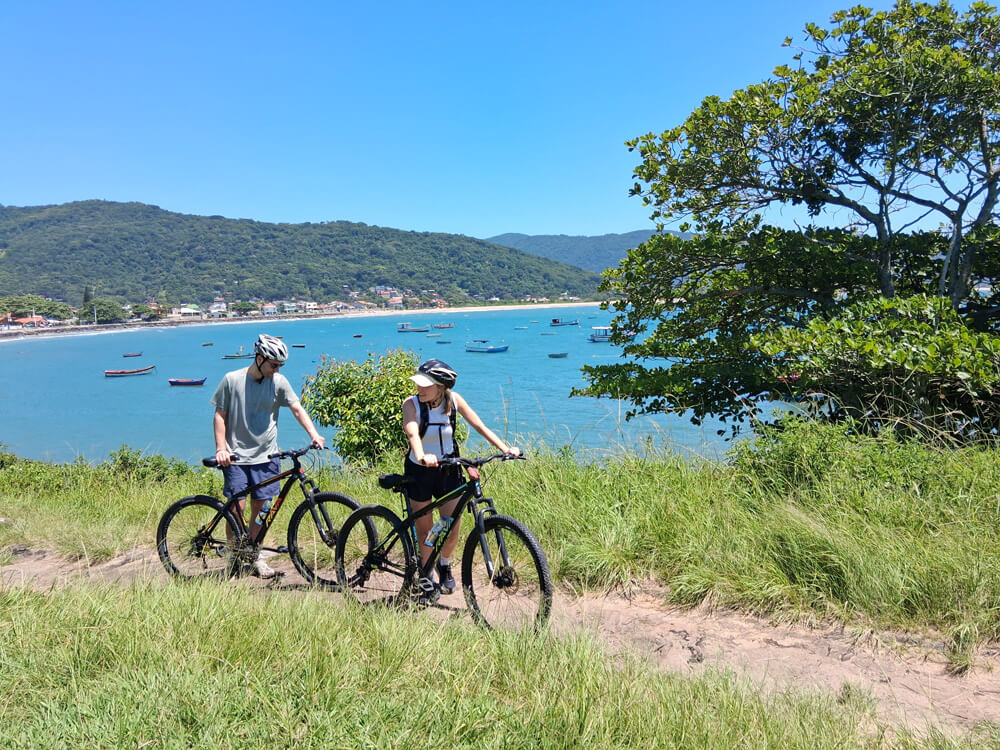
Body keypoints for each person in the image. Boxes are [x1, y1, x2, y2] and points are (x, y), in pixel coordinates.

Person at [402, 358, 520, 602]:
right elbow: (412, 432)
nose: (419, 388)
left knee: (451, 525)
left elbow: (479, 425)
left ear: (442, 387)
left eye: (426, 385)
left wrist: (505, 448)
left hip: (449, 469)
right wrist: (423, 456)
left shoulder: (454, 401)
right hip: (421, 470)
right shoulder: (411, 404)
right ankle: (426, 579)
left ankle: (443, 564)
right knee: (425, 531)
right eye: (419, 384)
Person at [210, 333, 325, 578]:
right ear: (260, 358)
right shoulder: (232, 380)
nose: (277, 369)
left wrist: (314, 434)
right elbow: (220, 415)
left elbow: (297, 408)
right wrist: (221, 448)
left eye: (280, 365)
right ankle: (233, 557)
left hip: (268, 456)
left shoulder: (279, 382)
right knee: (236, 510)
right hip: (237, 457)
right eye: (274, 365)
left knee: (262, 510)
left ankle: (254, 556)